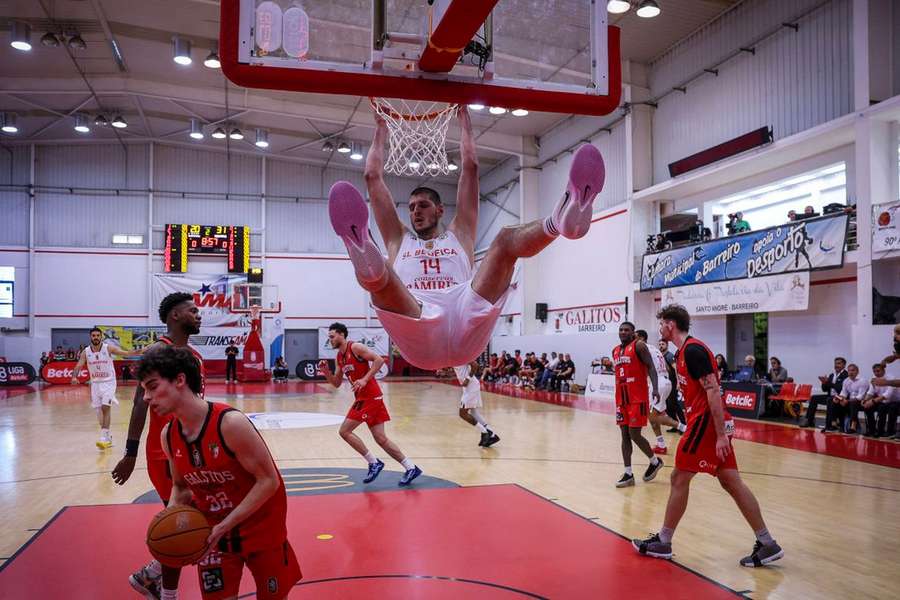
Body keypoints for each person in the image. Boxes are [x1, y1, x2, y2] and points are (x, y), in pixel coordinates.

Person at [328, 107, 605, 370]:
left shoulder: (460, 233)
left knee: (506, 239)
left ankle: (559, 222)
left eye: (423, 205)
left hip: (465, 316)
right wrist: (379, 130)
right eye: (411, 207)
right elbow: (372, 177)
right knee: (383, 274)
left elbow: (470, 167)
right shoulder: (399, 240)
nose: (415, 212)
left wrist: (464, 120)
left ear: (439, 210)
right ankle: (364, 253)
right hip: (418, 321)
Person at [139, 345, 302, 599]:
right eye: (144, 390)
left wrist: (225, 525)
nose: (146, 397)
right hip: (215, 537)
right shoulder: (168, 435)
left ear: (180, 380)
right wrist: (171, 524)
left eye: (152, 386)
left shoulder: (230, 424)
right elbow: (181, 487)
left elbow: (268, 481)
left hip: (262, 530)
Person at [633, 304, 783, 568]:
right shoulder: (683, 352)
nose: (660, 329)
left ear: (670, 325)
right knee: (731, 481)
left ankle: (664, 541)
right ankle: (768, 543)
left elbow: (713, 391)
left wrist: (721, 435)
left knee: (679, 476)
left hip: (706, 423)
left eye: (661, 324)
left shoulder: (693, 350)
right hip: (710, 423)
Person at [112, 292, 204, 600]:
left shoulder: (194, 356)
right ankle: (166, 593)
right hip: (163, 453)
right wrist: (129, 452)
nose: (199, 314)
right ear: (175, 316)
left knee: (193, 521)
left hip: (191, 448)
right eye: (193, 310)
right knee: (178, 525)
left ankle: (148, 575)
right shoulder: (157, 351)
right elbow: (140, 404)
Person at [318, 322, 422, 486]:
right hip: (365, 398)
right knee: (381, 439)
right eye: (329, 337)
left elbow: (379, 360)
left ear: (341, 335)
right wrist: (326, 373)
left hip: (370, 397)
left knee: (344, 431)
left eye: (332, 336)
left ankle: (374, 463)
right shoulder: (339, 357)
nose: (330, 340)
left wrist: (365, 379)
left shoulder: (355, 347)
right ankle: (411, 468)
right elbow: (336, 383)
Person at [612, 322, 664, 488]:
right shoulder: (615, 350)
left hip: (637, 397)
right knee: (624, 435)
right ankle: (628, 474)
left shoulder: (639, 346)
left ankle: (654, 461)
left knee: (634, 434)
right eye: (621, 330)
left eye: (627, 330)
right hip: (621, 399)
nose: (623, 332)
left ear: (633, 332)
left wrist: (655, 388)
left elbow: (651, 367)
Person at [70, 327, 141, 449]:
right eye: (94, 335)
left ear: (101, 336)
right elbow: (78, 365)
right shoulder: (86, 352)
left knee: (105, 407)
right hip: (95, 384)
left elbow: (126, 353)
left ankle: (103, 438)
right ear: (90, 337)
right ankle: (108, 437)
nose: (96, 337)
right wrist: (74, 377)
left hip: (109, 382)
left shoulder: (108, 348)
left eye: (98, 335)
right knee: (99, 412)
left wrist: (141, 351)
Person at [636, 330, 686, 454]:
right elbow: (667, 368)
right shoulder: (655, 349)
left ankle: (685, 428)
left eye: (635, 337)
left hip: (657, 383)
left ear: (641, 338)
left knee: (653, 416)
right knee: (653, 417)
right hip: (664, 381)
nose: (633, 340)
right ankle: (661, 445)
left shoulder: (642, 348)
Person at [453, 361, 500, 447]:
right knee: (474, 413)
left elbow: (475, 365)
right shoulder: (453, 357)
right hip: (468, 387)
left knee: (462, 413)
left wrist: (467, 378)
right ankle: (492, 435)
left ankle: (484, 432)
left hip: (471, 386)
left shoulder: (463, 354)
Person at [801, 357, 849, 430]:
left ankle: (829, 424)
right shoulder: (832, 375)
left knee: (830, 399)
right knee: (814, 398)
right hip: (830, 396)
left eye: (839, 363)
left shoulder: (846, 375)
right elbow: (824, 389)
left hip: (840, 397)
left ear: (844, 365)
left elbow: (840, 389)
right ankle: (809, 420)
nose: (836, 365)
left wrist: (829, 382)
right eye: (835, 363)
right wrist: (824, 383)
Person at [862, 363, 898, 438]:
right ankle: (872, 430)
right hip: (882, 401)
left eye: (878, 371)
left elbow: (888, 394)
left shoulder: (890, 378)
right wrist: (865, 400)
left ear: (883, 370)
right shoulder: (874, 379)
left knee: (885, 407)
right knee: (868, 407)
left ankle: (888, 431)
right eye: (874, 372)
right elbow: (871, 392)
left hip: (894, 401)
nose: (876, 373)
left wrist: (873, 401)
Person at [830, 364, 867, 434]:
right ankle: (834, 422)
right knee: (834, 401)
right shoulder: (846, 381)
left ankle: (853, 426)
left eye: (853, 370)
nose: (851, 372)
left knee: (853, 403)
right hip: (850, 401)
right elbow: (843, 393)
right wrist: (839, 399)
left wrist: (847, 401)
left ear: (857, 371)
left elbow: (860, 397)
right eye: (849, 370)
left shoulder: (862, 381)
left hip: (862, 402)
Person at [659, 340, 686, 430]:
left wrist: (678, 382)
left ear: (667, 345)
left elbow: (676, 369)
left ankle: (684, 425)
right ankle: (676, 425)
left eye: (663, 344)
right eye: (659, 344)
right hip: (665, 385)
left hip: (672, 384)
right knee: (667, 406)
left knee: (674, 404)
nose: (661, 346)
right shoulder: (661, 356)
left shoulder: (669, 356)